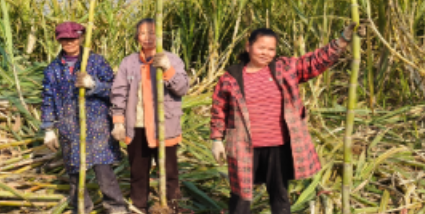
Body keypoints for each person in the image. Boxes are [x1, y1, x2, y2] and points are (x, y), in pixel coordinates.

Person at [210, 23, 365, 214]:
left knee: (280, 194)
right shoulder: (231, 77)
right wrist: (216, 139)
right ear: (248, 46)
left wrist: (343, 39)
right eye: (261, 48)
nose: (266, 53)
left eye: (271, 49)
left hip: (278, 145)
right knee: (240, 197)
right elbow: (219, 109)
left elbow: (316, 61)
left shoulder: (284, 69)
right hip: (243, 146)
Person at [41, 21, 128, 214]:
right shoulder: (52, 69)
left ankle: (116, 208)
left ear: (80, 38)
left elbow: (115, 91)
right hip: (69, 127)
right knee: (75, 176)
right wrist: (48, 128)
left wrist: (93, 85)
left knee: (104, 172)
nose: (69, 42)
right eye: (64, 39)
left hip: (97, 126)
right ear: (59, 41)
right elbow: (48, 99)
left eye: (73, 38)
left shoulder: (96, 62)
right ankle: (82, 208)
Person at [110, 18, 189, 214]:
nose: (148, 37)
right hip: (137, 126)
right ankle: (139, 207)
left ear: (160, 35)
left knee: (169, 172)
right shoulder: (129, 63)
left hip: (165, 127)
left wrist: (167, 69)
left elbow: (182, 88)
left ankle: (172, 206)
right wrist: (118, 122)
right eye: (143, 33)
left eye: (152, 33)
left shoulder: (173, 60)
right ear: (137, 37)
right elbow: (119, 92)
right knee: (138, 172)